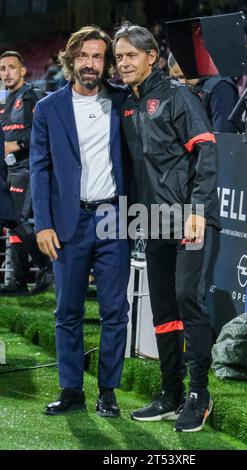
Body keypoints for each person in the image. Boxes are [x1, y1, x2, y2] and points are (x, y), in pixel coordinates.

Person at [114, 22, 220, 432]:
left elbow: (206, 150)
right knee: (163, 308)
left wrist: (197, 209)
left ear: (151, 57)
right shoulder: (127, 105)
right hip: (152, 219)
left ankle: (199, 393)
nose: (123, 63)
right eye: (119, 56)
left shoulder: (178, 96)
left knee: (186, 298)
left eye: (131, 55)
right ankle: (170, 392)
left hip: (189, 217)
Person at [30, 26, 130, 417]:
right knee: (67, 312)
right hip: (67, 224)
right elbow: (39, 168)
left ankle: (108, 390)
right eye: (84, 56)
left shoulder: (123, 101)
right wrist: (42, 223)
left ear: (106, 64)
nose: (91, 63)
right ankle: (71, 389)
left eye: (98, 57)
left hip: (113, 217)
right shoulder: (48, 108)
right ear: (71, 60)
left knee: (114, 311)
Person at [0, 51, 53, 296]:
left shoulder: (33, 96)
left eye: (11, 67)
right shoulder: (5, 102)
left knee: (18, 218)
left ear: (23, 70)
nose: (6, 72)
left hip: (30, 168)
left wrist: (19, 146)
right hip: (11, 170)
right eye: (2, 69)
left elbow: (44, 133)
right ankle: (18, 281)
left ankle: (47, 266)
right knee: (13, 222)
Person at [168, 52, 239, 133]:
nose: (182, 82)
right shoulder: (190, 88)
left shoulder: (220, 87)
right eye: (177, 78)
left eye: (182, 76)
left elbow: (223, 136)